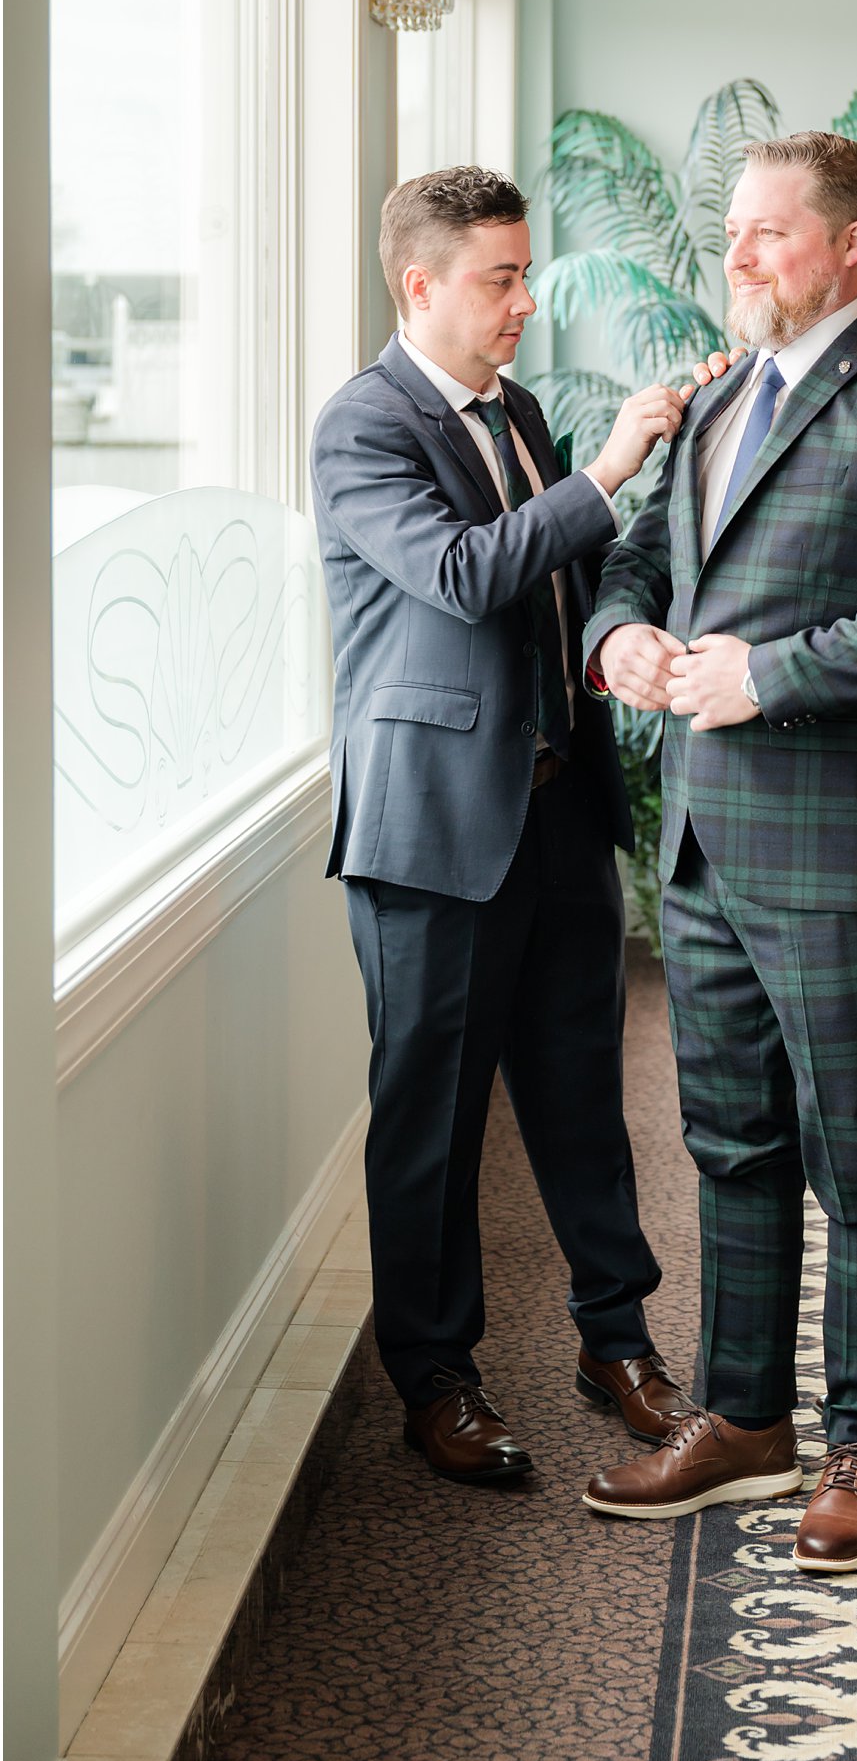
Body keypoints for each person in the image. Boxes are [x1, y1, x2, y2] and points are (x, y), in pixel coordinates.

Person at [579, 132, 857, 1572]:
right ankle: (745, 1417)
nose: (738, 253)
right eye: (738, 231)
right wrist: (618, 634)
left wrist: (770, 674)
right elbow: (643, 559)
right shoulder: (715, 398)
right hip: (701, 846)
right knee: (732, 1141)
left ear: (852, 248)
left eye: (768, 233)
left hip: (847, 855)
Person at [310, 165, 694, 1485]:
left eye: (527, 272)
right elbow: (468, 576)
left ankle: (616, 1338)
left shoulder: (518, 409)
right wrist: (610, 470)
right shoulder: (361, 427)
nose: (526, 300)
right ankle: (436, 1378)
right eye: (501, 277)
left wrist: (626, 640)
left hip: (556, 813)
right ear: (421, 283)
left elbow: (561, 593)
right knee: (432, 1119)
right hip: (430, 838)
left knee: (586, 1097)